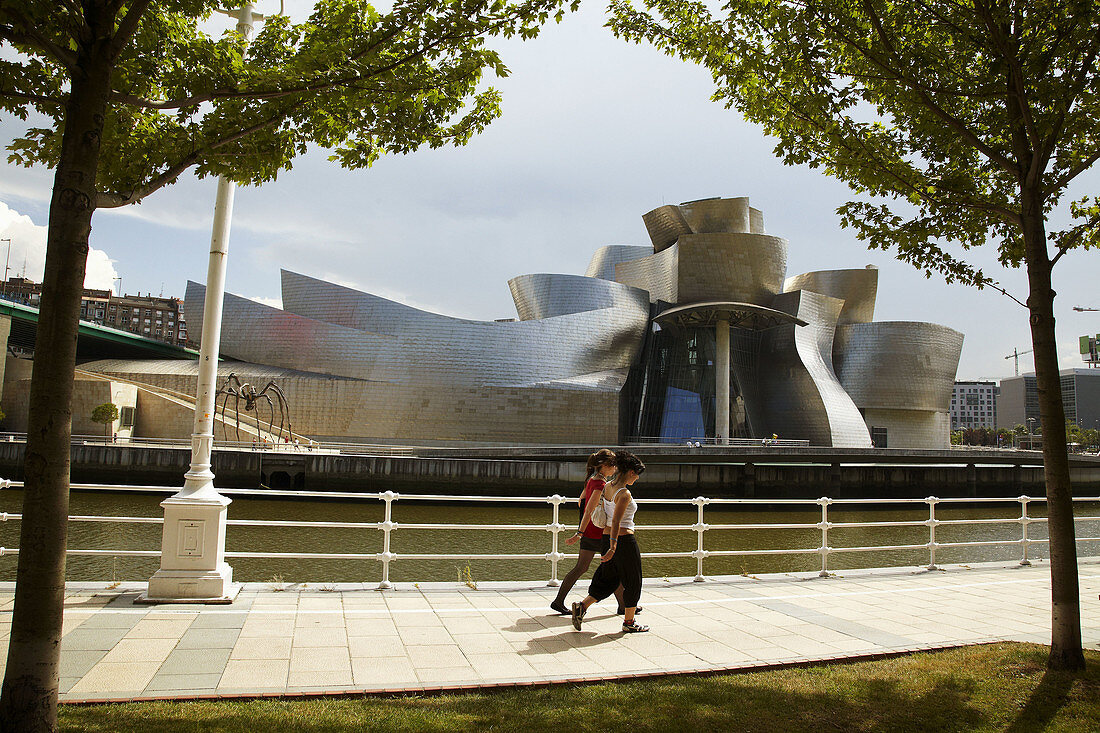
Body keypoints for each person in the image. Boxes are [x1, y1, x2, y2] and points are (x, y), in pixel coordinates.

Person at [571, 451, 648, 633]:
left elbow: (588, 509)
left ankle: (582, 606)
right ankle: (629, 623)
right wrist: (614, 547)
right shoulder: (624, 494)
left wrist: (580, 533)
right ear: (630, 472)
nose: (637, 478)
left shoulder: (606, 487)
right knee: (633, 579)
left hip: (605, 538)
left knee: (610, 578)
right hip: (623, 541)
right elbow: (616, 521)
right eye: (636, 474)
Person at [550, 448, 619, 614]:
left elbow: (581, 502)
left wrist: (583, 529)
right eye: (613, 465)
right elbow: (588, 509)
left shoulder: (591, 480)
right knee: (614, 567)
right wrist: (579, 532)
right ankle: (625, 606)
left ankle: (558, 601)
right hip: (598, 533)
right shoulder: (600, 484)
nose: (615, 469)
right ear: (605, 466)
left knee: (582, 568)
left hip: (590, 531)